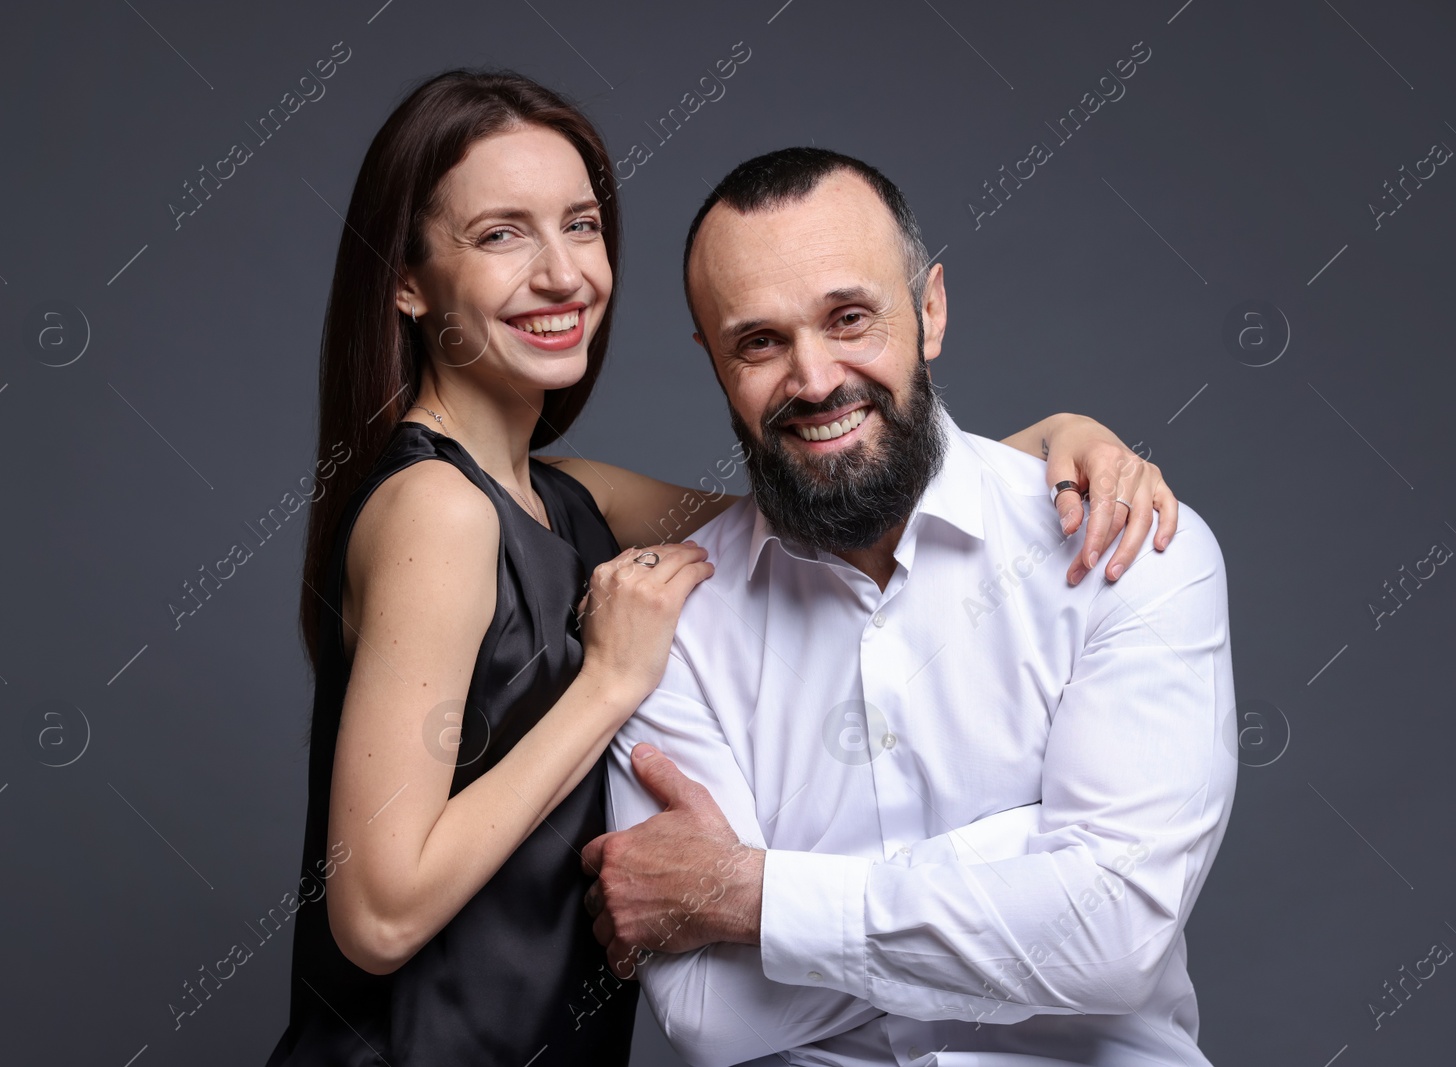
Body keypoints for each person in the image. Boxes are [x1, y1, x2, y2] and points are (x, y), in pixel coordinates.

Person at [266, 71, 1185, 1067]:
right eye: (500, 234)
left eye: (580, 224)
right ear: (407, 280)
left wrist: (1050, 441)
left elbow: (840, 497)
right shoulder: (437, 509)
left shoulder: (565, 495)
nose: (562, 272)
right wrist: (609, 684)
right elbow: (378, 909)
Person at [586, 148, 1237, 1067]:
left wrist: (750, 895)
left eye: (850, 318)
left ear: (929, 309)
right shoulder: (669, 621)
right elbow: (709, 1010)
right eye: (760, 342)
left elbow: (1115, 937)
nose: (814, 380)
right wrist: (1033, 864)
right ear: (713, 359)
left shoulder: (1129, 549)